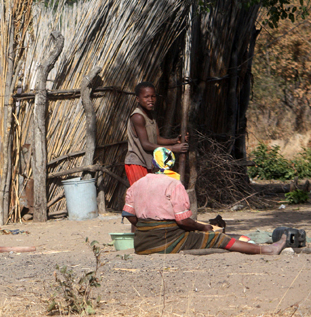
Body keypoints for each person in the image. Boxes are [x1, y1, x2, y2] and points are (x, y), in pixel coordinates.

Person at [122, 148, 287, 255]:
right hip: (167, 241)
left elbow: (128, 213)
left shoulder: (138, 184)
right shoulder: (173, 184)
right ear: (172, 164)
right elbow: (183, 220)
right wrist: (203, 227)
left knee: (196, 235)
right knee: (217, 239)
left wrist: (144, 225)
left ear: (153, 164)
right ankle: (266, 249)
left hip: (142, 244)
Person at [124, 82, 188, 185]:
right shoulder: (138, 117)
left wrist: (175, 140)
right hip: (137, 163)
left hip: (147, 163)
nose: (151, 100)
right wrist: (173, 148)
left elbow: (157, 139)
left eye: (153, 96)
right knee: (142, 197)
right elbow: (146, 145)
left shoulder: (151, 116)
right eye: (146, 97)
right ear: (137, 99)